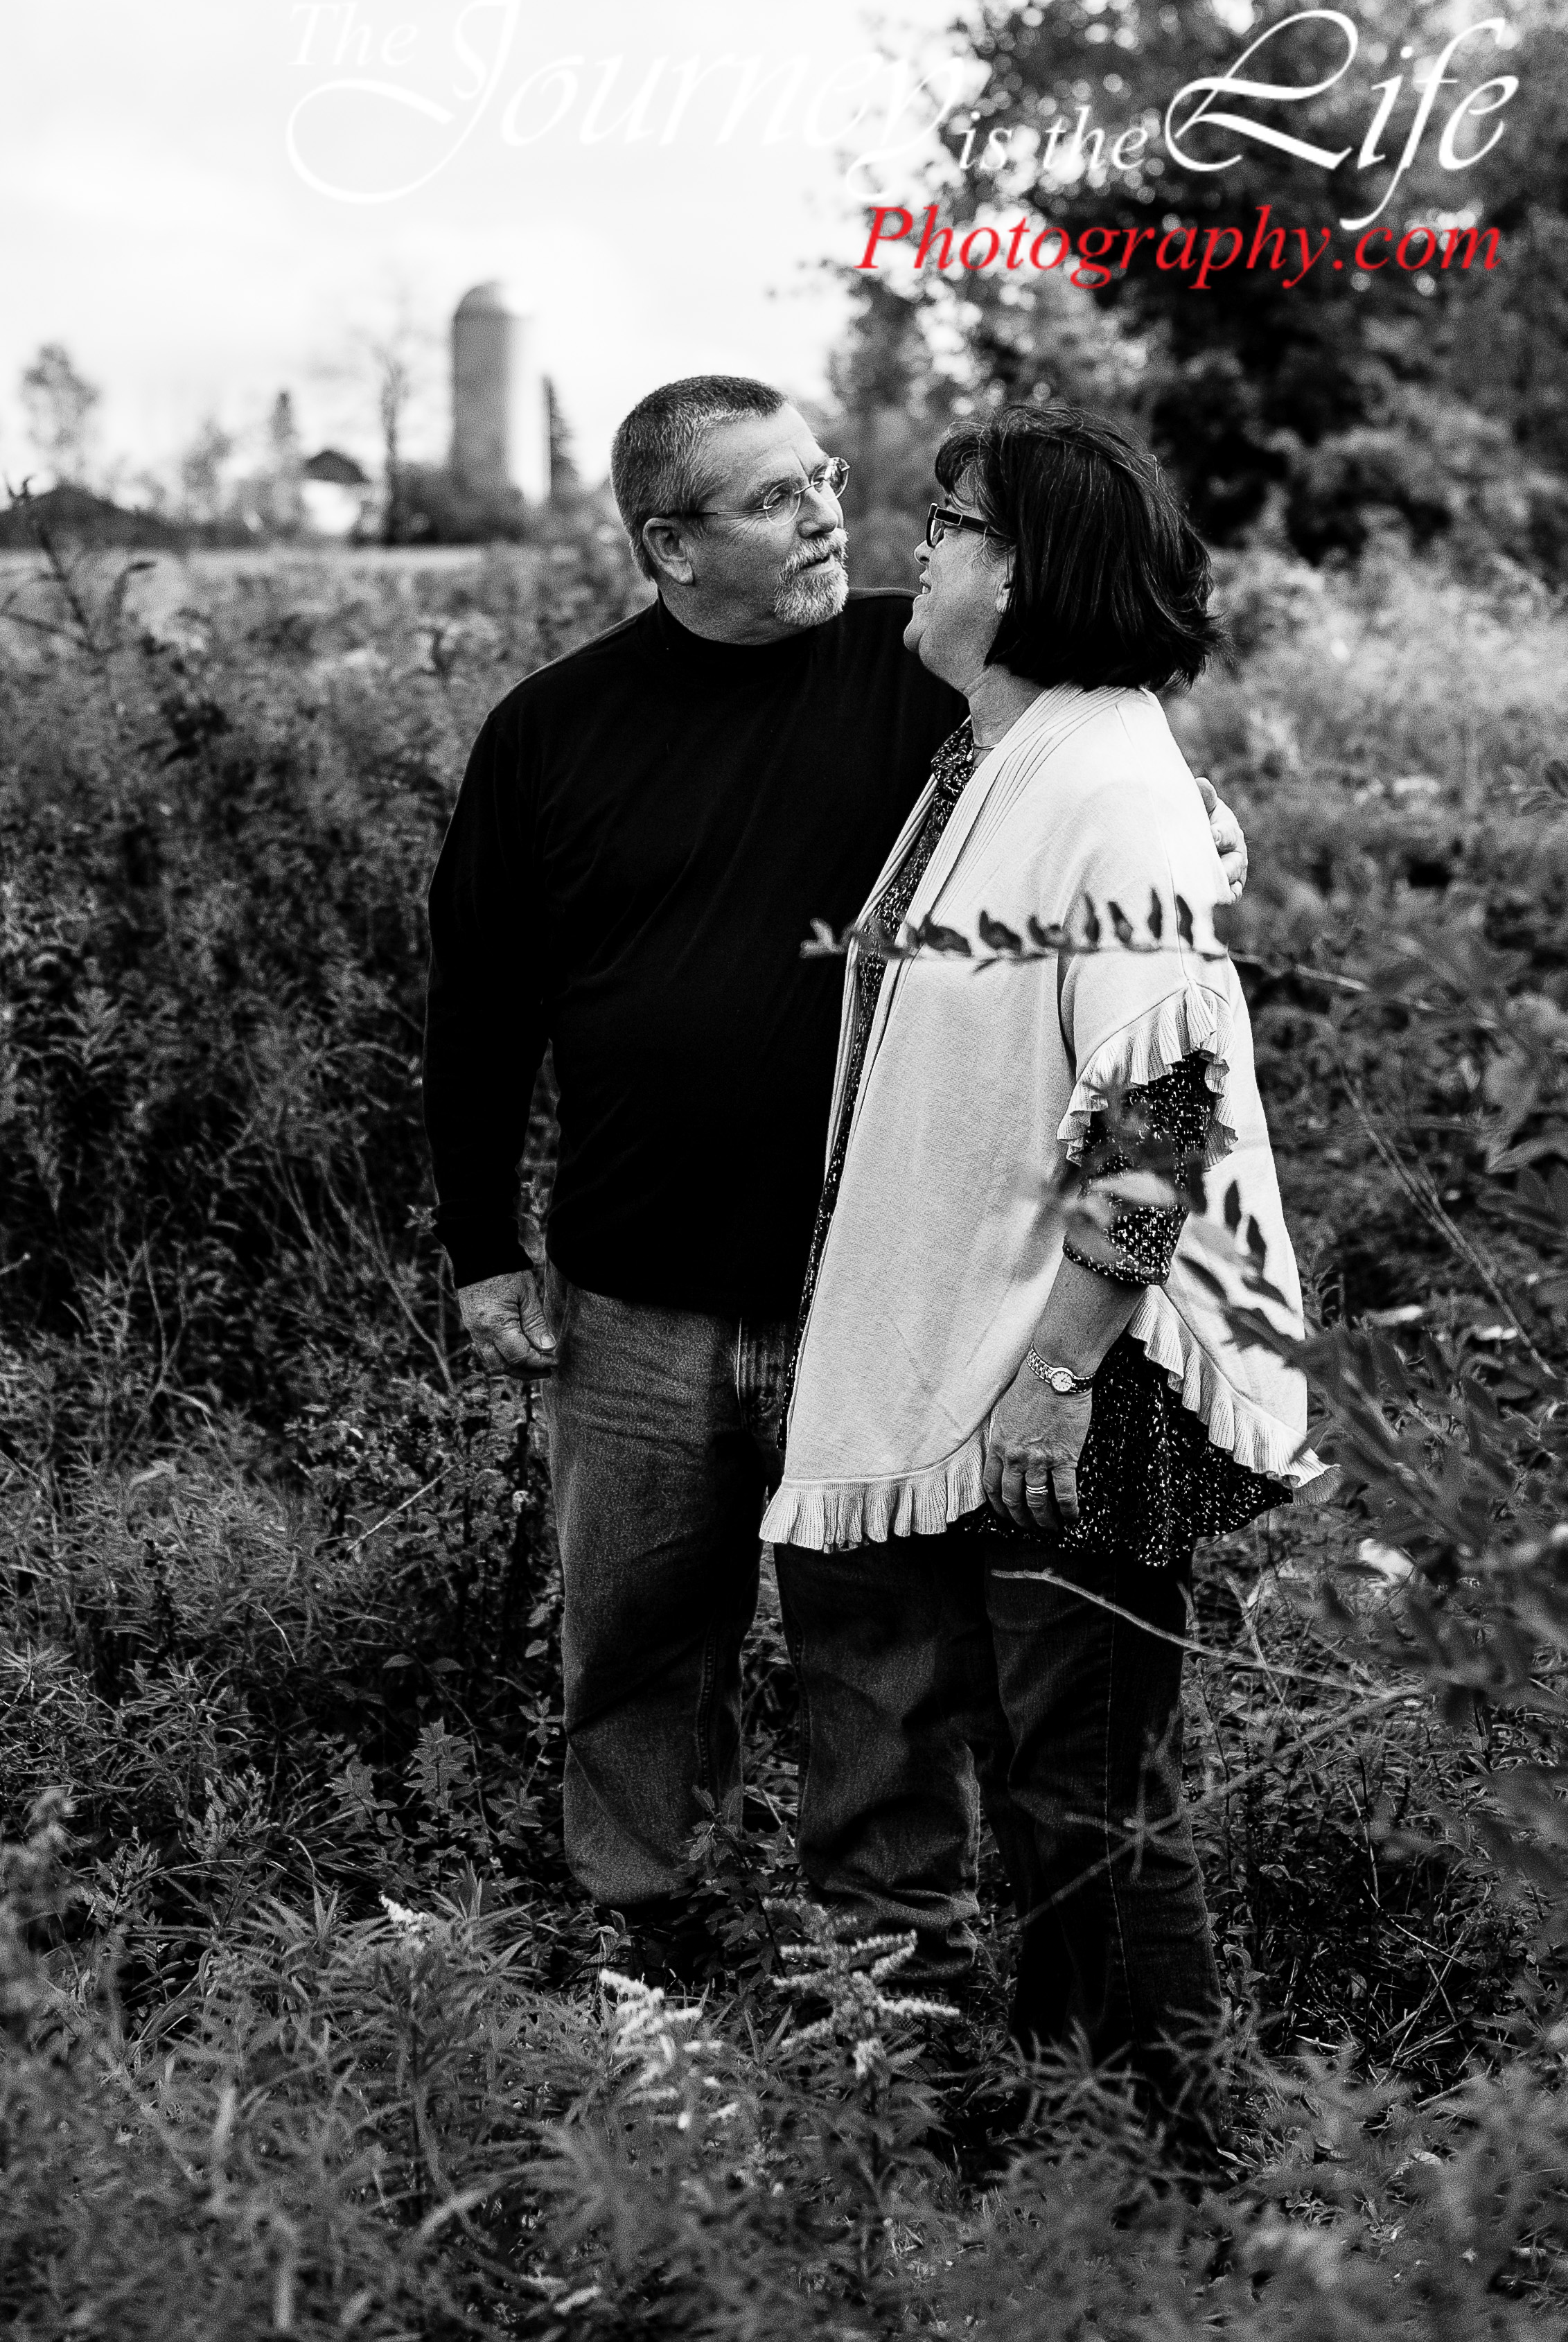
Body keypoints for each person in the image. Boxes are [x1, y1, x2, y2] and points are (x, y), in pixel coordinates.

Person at [422, 376, 1249, 1979]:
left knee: (881, 1659)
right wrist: (480, 1240)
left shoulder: (922, 664)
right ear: (669, 544)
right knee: (632, 1647)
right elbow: (480, 1005)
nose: (825, 517)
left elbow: (1104, 779)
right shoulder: (551, 731)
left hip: (870, 1292)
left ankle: (889, 1982)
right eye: (772, 498)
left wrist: (1205, 821)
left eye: (824, 480)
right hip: (634, 1292)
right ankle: (648, 1945)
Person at [761, 403, 1328, 2140]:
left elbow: (1165, 1106)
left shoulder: (1103, 786)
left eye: (944, 524)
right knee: (1051, 1790)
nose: (916, 549)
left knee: (1089, 1803)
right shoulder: (1003, 757)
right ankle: (1087, 2155)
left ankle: (1202, 2192)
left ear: (1016, 573)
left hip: (1084, 1377)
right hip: (1009, 1356)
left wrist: (1062, 1367)